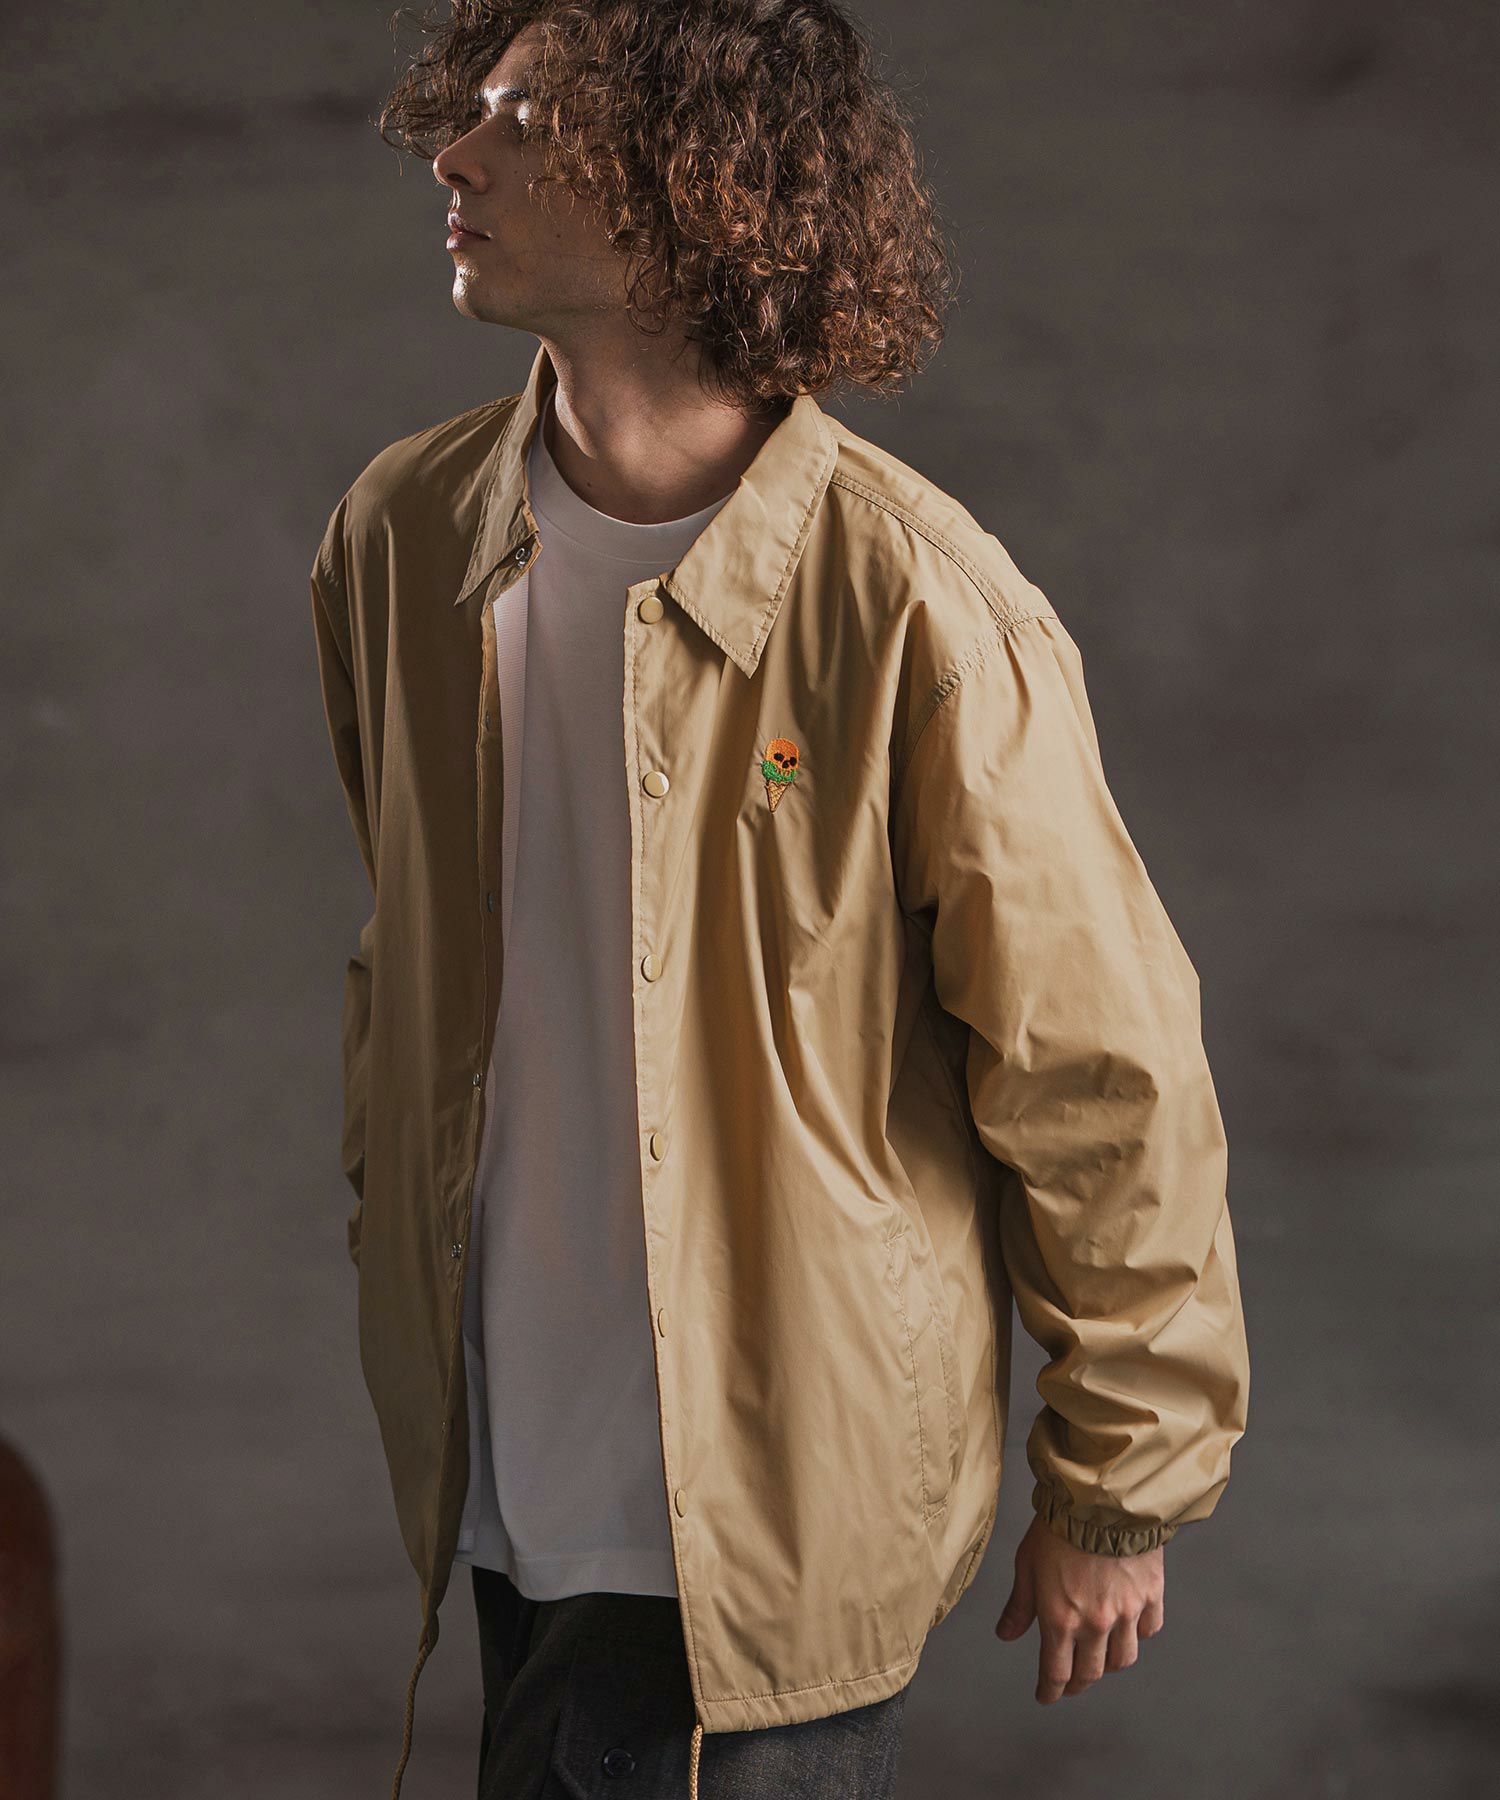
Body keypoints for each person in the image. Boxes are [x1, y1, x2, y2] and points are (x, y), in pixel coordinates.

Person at [307, 3, 1251, 1797]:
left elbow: (1101, 1066)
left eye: (531, 120)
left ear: (701, 180)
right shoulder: (403, 535)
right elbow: (405, 957)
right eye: (471, 109)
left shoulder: (918, 602)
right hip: (500, 1471)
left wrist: (1122, 1481)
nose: (456, 153)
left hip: (783, 1502)